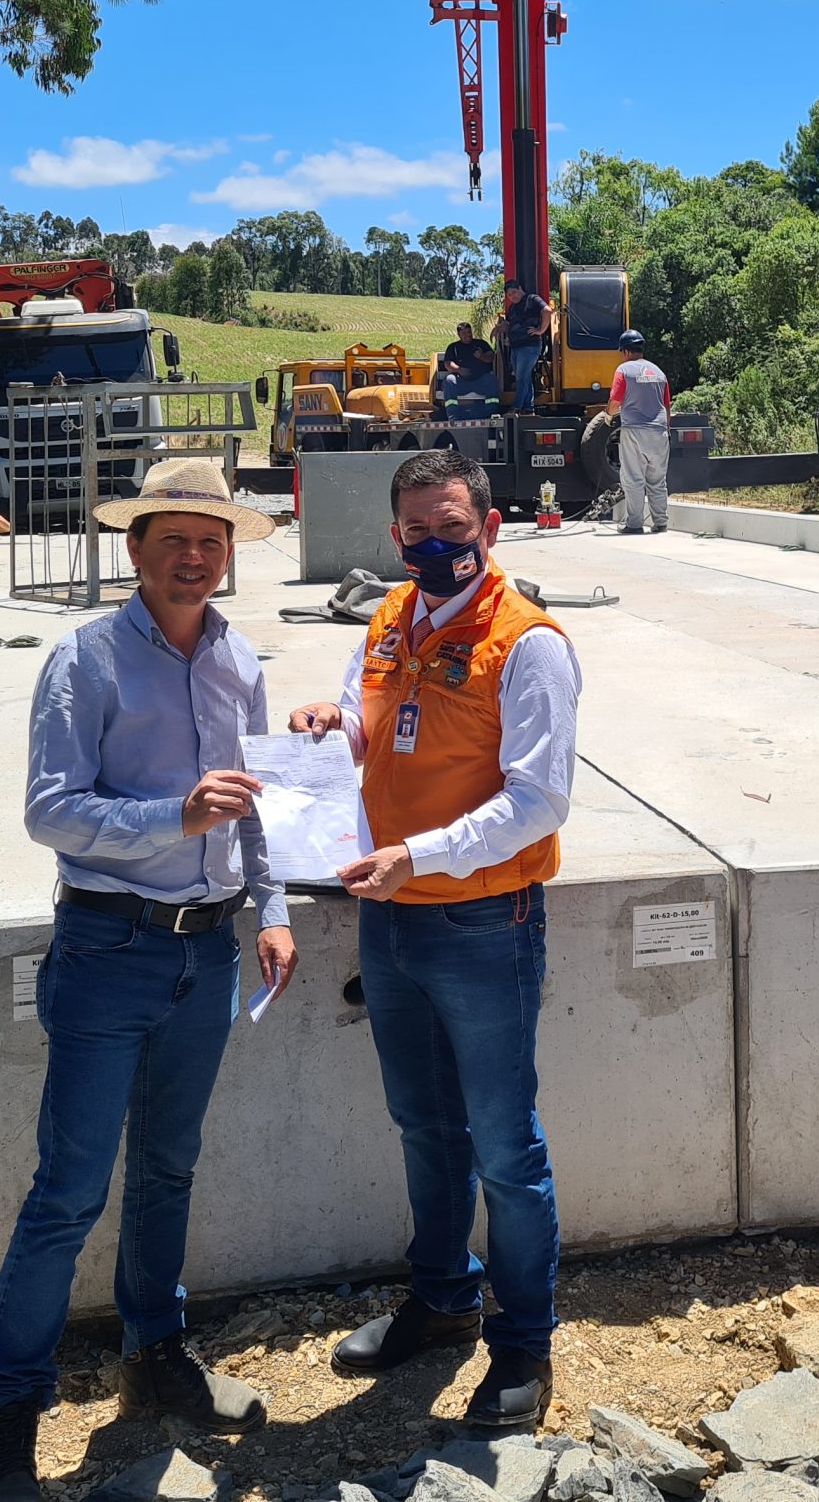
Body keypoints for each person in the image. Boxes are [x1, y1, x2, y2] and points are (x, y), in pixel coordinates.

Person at [0, 456, 295, 1502]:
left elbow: (253, 805)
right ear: (136, 550)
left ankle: (156, 1358)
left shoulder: (240, 659)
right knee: (67, 1192)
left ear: (228, 552)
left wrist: (273, 911)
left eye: (210, 541)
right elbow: (48, 812)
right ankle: (6, 1422)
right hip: (108, 951)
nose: (193, 558)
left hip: (205, 953)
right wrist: (170, 819)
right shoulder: (89, 661)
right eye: (173, 541)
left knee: (168, 1171)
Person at [286, 447, 581, 1429]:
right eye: (416, 531)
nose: (434, 545)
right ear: (394, 536)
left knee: (504, 1145)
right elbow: (376, 730)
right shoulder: (386, 620)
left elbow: (539, 800)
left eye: (452, 528)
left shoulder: (528, 642)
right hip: (391, 919)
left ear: (489, 530)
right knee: (424, 1127)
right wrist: (336, 725)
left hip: (482, 923)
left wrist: (423, 856)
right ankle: (444, 1301)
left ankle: (523, 1345)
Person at [608, 328, 671, 536]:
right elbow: (666, 405)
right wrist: (665, 430)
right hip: (659, 431)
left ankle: (634, 524)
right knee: (657, 479)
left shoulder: (624, 370)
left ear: (625, 351)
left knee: (633, 478)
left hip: (634, 430)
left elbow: (615, 402)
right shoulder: (659, 372)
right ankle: (660, 522)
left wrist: (608, 415)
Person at [497, 281, 548, 414]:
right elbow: (510, 325)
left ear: (520, 288)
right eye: (509, 295)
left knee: (521, 377)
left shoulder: (532, 299)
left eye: (513, 292)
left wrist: (541, 330)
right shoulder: (513, 308)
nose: (512, 296)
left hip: (529, 346)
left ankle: (517, 407)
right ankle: (528, 408)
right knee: (525, 377)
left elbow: (547, 310)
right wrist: (500, 328)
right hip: (515, 347)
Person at [435, 322, 497, 420]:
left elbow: (491, 356)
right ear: (459, 335)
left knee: (491, 380)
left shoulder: (480, 344)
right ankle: (453, 416)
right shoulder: (453, 347)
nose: (467, 335)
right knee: (449, 380)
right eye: (463, 333)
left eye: (469, 332)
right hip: (461, 382)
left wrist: (482, 356)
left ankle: (492, 414)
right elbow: (448, 363)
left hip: (480, 381)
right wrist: (459, 370)